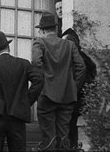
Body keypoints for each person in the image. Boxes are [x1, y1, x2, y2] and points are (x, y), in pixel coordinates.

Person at [0, 31, 44, 152]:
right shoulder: (23, 64)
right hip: (17, 114)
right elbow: (39, 80)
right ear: (8, 47)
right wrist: (26, 101)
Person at [32, 12, 86, 151]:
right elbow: (82, 67)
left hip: (47, 95)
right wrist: (74, 87)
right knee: (64, 136)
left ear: (43, 30)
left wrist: (42, 83)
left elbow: (36, 62)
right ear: (56, 29)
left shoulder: (39, 42)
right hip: (67, 96)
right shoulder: (69, 45)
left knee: (48, 137)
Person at [61, 28, 97, 149]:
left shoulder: (79, 58)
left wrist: (76, 89)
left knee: (68, 128)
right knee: (69, 129)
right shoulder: (82, 57)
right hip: (73, 98)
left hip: (73, 99)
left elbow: (89, 74)